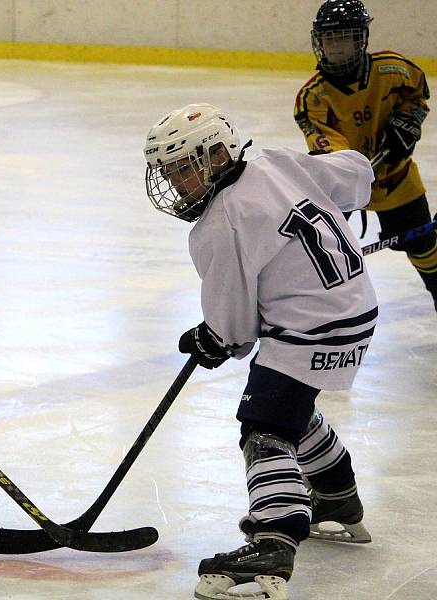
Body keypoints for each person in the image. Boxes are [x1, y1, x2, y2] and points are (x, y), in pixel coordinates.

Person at [144, 103, 375, 600]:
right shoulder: (274, 161)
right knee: (293, 408)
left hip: (311, 325)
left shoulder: (219, 223)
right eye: (169, 172)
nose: (177, 184)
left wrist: (213, 338)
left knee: (265, 426)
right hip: (355, 309)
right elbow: (356, 171)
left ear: (217, 155)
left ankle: (273, 539)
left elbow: (235, 328)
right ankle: (336, 497)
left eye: (183, 168)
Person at [295, 0, 436, 311]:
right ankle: (324, 314)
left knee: (427, 251)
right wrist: (355, 174)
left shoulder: (393, 69)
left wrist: (408, 121)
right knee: (322, 258)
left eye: (344, 38)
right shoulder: (312, 97)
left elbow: (418, 94)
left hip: (396, 179)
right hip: (341, 192)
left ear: (360, 39)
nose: (336, 47)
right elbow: (333, 157)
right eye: (330, 39)